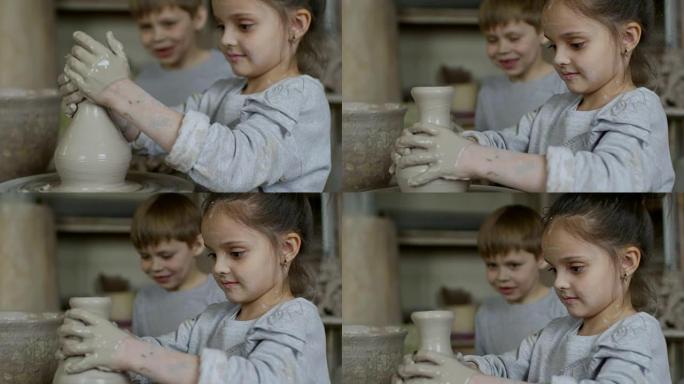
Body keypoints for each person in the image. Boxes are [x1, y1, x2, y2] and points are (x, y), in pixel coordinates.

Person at [393, 0, 673, 192]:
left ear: (628, 38)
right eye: (553, 46)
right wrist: (445, 145)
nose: (559, 58)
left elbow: (609, 178)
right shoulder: (555, 108)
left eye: (576, 44)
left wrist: (473, 159)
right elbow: (505, 142)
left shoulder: (638, 108)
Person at [395, 194, 671, 384]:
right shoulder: (553, 334)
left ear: (627, 262)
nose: (560, 283)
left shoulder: (638, 333)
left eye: (575, 268)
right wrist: (446, 368)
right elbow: (504, 367)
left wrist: (470, 380)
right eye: (554, 270)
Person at [59, 0, 331, 192]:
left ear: (296, 24)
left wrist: (122, 92)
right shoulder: (223, 91)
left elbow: (235, 166)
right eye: (222, 26)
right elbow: (152, 136)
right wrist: (106, 103)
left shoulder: (301, 96)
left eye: (244, 25)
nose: (226, 39)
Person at [58, 194, 330, 383]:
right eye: (213, 255)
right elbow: (160, 349)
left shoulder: (297, 318)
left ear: (287, 248)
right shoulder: (211, 319)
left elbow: (261, 379)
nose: (218, 268)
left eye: (235, 253)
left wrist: (131, 353)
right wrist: (98, 341)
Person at [130, 193, 229, 337]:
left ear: (197, 245)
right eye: (145, 256)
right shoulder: (143, 299)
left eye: (166, 256)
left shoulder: (221, 294)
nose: (155, 267)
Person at [474, 205, 567, 355]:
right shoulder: (485, 313)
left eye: (513, 265)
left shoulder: (563, 307)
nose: (501, 277)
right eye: (492, 265)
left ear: (543, 258)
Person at [475, 0, 567, 132]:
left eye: (514, 38)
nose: (502, 49)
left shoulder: (564, 86)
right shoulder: (488, 91)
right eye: (492, 40)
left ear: (543, 33)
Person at [130, 0, 235, 107]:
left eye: (169, 24)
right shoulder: (140, 80)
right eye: (146, 27)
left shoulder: (231, 72)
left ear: (199, 18)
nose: (157, 37)